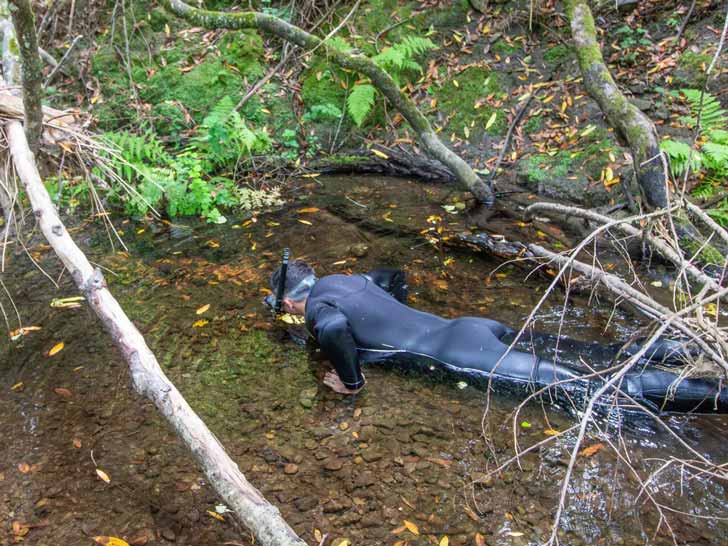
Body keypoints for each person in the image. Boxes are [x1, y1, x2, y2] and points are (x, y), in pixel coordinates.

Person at [264, 260, 728, 413]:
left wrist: (352, 382)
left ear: (288, 303)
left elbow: (333, 329)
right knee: (601, 355)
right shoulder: (350, 279)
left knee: (597, 390)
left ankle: (718, 395)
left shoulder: (320, 308)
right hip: (475, 327)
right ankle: (697, 349)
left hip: (465, 354)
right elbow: (393, 276)